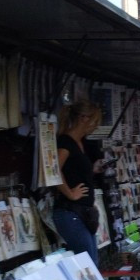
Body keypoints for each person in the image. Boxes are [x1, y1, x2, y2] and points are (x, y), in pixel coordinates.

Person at [54, 100, 104, 264]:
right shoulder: (66, 142)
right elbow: (54, 170)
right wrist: (70, 193)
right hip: (71, 212)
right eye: (94, 122)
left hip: (83, 212)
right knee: (88, 264)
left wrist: (92, 170)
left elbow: (72, 170)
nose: (95, 126)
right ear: (83, 118)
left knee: (91, 262)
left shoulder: (80, 143)